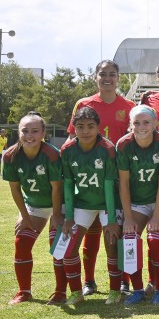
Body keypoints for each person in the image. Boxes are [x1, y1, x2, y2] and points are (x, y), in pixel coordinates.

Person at [67, 60, 134, 297]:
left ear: (118, 78)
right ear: (95, 77)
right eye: (102, 74)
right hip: (91, 182)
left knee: (117, 233)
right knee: (92, 232)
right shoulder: (84, 104)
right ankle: (89, 281)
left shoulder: (128, 105)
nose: (107, 78)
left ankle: (123, 281)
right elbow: (70, 140)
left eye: (112, 74)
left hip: (120, 180)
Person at [60, 107, 120, 305]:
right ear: (74, 128)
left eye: (90, 126)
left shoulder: (107, 148)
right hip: (83, 203)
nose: (85, 131)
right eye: (80, 126)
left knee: (111, 243)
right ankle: (76, 292)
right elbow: (68, 184)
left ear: (98, 127)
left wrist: (111, 220)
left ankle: (114, 291)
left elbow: (110, 184)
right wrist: (68, 217)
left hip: (107, 203)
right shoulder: (67, 150)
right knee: (69, 246)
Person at [114, 105, 159, 305]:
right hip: (137, 202)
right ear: (130, 125)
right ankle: (137, 289)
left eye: (146, 122)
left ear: (155, 123)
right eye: (136, 122)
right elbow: (123, 183)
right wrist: (128, 217)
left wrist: (157, 214)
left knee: (155, 240)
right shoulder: (123, 145)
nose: (141, 126)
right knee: (129, 238)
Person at [3, 112, 63, 305]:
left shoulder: (52, 154)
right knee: (21, 242)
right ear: (18, 132)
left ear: (43, 133)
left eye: (35, 131)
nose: (29, 135)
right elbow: (15, 189)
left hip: (58, 204)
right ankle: (24, 291)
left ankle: (60, 292)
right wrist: (24, 215)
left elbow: (57, 188)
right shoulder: (11, 155)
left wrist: (56, 215)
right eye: (25, 131)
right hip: (34, 206)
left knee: (57, 247)